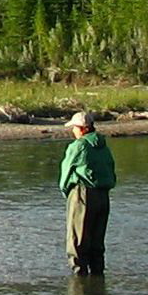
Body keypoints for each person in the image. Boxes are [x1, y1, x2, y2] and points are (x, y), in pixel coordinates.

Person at [57, 112, 116, 275]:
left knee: (77, 240)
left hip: (82, 194)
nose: (73, 131)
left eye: (74, 127)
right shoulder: (104, 146)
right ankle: (98, 277)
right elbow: (111, 169)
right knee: (97, 241)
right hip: (103, 195)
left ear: (83, 129)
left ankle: (80, 284)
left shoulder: (78, 146)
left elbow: (66, 173)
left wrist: (67, 193)